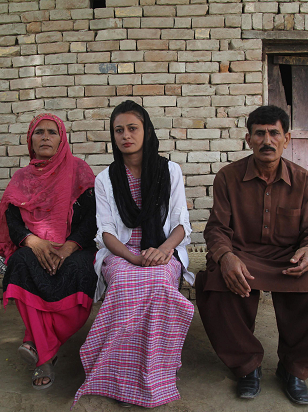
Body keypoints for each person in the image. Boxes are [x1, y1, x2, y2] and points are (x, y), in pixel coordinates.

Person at [195, 105, 308, 405]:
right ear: (248, 139)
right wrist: (226, 257)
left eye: (274, 133)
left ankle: (294, 368)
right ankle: (247, 365)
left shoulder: (302, 180)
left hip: (287, 258)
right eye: (259, 134)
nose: (267, 140)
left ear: (286, 138)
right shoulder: (227, 177)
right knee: (213, 280)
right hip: (243, 256)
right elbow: (216, 229)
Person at [73, 100, 194, 408]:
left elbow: (181, 224)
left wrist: (164, 251)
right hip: (122, 254)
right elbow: (106, 232)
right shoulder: (105, 179)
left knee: (158, 282)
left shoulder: (170, 171)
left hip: (164, 251)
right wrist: (134, 258)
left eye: (132, 128)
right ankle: (120, 374)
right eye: (118, 130)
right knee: (128, 283)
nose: (125, 135)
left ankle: (154, 371)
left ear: (147, 131)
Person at [0, 113, 97, 390]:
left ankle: (36, 341)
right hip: (33, 245)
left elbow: (92, 221)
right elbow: (13, 222)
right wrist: (34, 242)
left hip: (75, 246)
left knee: (80, 271)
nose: (45, 137)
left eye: (52, 132)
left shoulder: (79, 171)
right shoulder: (22, 178)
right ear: (30, 140)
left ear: (62, 139)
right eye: (39, 132)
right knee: (22, 263)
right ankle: (44, 360)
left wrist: (68, 248)